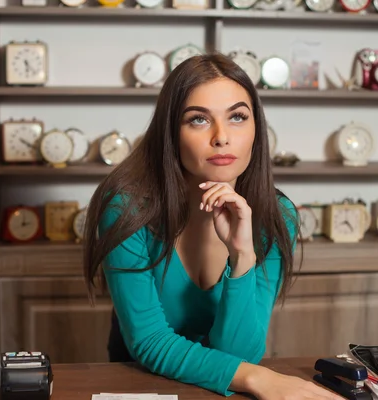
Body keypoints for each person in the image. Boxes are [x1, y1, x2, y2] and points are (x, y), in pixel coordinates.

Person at [82, 53, 340, 400]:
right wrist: (261, 380)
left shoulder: (278, 217)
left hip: (224, 387)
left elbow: (241, 355)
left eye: (237, 117)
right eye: (199, 120)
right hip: (144, 386)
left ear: (256, 131)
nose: (222, 137)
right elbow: (149, 342)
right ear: (171, 133)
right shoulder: (125, 209)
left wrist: (243, 256)